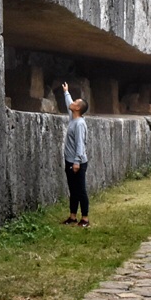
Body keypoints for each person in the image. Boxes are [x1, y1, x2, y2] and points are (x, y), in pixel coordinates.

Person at [60, 81, 90, 227]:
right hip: (70, 160)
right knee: (73, 190)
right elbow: (69, 104)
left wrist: (77, 162)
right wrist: (66, 92)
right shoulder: (74, 118)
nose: (72, 103)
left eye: (75, 102)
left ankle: (85, 218)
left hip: (77, 162)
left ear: (78, 108)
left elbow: (80, 144)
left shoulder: (79, 124)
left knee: (81, 190)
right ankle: (72, 216)